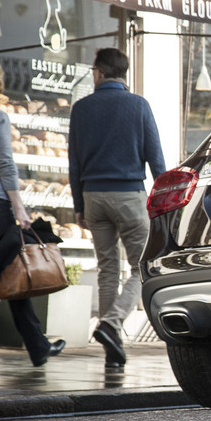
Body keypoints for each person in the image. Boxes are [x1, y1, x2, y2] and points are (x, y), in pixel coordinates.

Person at [69, 48, 165, 370]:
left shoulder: (81, 109)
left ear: (98, 72)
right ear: (123, 74)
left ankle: (112, 349)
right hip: (129, 197)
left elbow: (74, 162)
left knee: (108, 269)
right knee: (143, 267)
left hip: (94, 197)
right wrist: (164, 201)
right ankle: (111, 324)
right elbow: (156, 159)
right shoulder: (139, 105)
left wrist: (79, 205)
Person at [0, 56, 65, 366]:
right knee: (5, 264)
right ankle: (37, 344)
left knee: (9, 268)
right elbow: (4, 163)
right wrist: (19, 206)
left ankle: (37, 344)